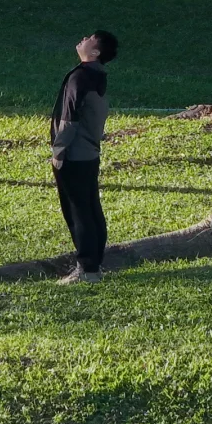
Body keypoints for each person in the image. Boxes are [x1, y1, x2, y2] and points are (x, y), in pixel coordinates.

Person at [50, 29, 119, 284]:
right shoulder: (97, 76)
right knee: (90, 208)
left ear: (95, 51)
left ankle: (87, 269)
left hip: (75, 154)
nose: (82, 39)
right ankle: (95, 265)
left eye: (89, 39)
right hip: (89, 152)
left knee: (78, 211)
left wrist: (59, 151)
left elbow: (70, 117)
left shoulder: (80, 76)